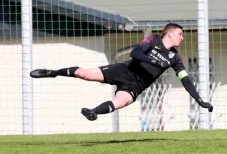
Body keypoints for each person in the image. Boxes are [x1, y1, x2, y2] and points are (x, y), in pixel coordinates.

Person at [30, 23, 213, 121]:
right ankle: (53, 72)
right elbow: (136, 52)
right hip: (124, 70)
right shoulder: (154, 39)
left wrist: (199, 100)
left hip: (136, 84)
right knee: (84, 74)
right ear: (170, 33)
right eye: (180, 34)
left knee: (121, 102)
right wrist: (152, 60)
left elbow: (185, 79)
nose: (182, 37)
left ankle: (92, 112)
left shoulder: (175, 58)